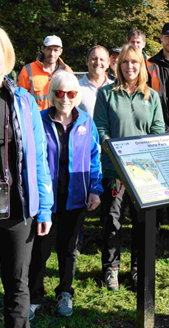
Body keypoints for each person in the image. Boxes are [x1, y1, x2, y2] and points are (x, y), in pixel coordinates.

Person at [28, 71, 103, 319]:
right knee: (40, 249)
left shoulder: (86, 122)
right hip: (45, 200)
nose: (65, 98)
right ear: (52, 95)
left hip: (76, 197)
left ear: (77, 95)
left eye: (71, 93)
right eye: (60, 93)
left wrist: (95, 189)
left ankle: (65, 292)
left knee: (68, 249)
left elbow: (95, 158)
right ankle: (34, 295)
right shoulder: (38, 121)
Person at [94, 44, 165, 291]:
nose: (130, 66)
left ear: (141, 65)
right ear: (118, 65)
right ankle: (111, 269)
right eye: (125, 62)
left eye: (134, 62)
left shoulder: (151, 96)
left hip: (144, 173)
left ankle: (138, 269)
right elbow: (100, 129)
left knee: (142, 223)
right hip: (114, 171)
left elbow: (158, 131)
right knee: (112, 221)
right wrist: (110, 147)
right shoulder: (106, 95)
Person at [0, 28, 53, 327]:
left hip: (18, 209)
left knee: (17, 285)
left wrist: (44, 207)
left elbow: (39, 159)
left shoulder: (23, 101)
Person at [17, 35, 72, 111]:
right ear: (42, 49)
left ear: (60, 52)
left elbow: (73, 98)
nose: (52, 54)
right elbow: (20, 99)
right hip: (36, 119)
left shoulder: (67, 71)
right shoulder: (27, 70)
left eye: (56, 50)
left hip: (59, 119)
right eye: (49, 49)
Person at [78, 46, 114, 117]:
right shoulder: (76, 87)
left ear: (108, 64)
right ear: (87, 61)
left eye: (102, 59)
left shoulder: (115, 88)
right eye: (94, 59)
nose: (98, 62)